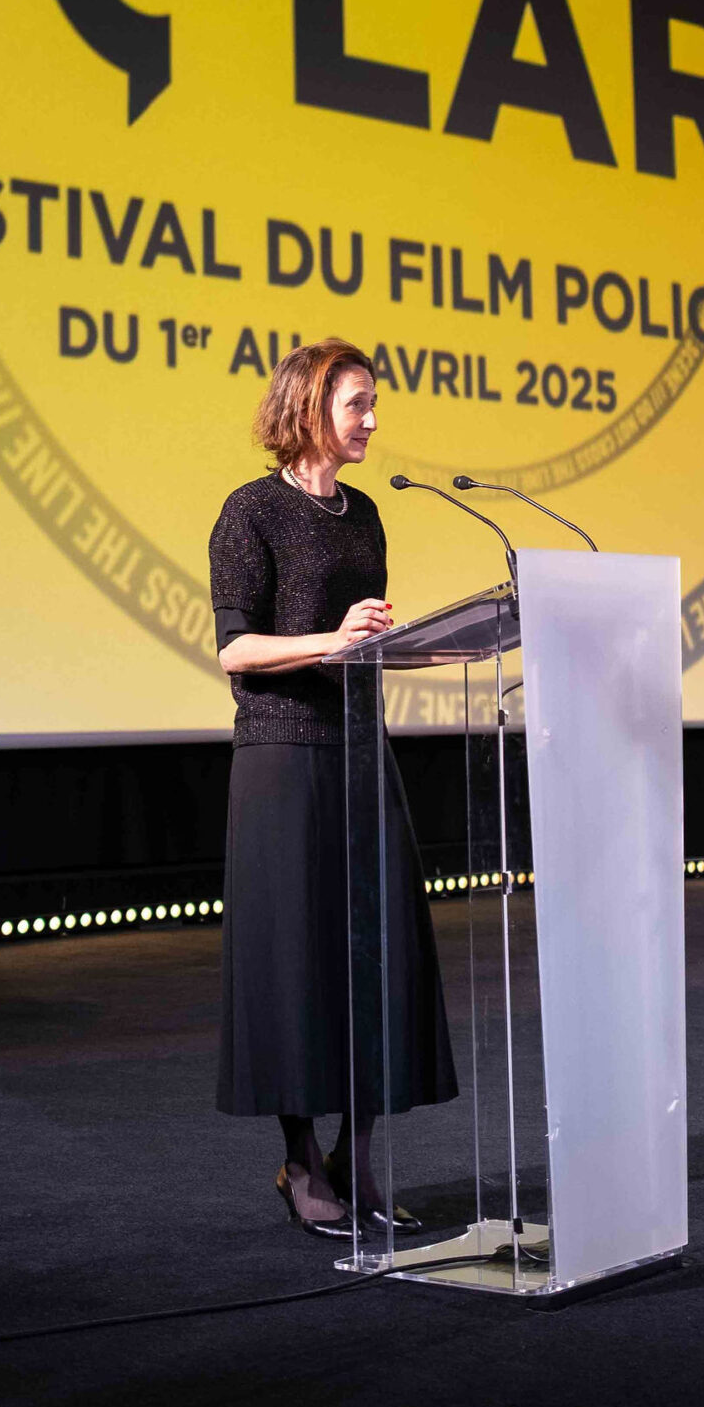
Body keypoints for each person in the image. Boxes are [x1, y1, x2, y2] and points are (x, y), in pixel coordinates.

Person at [209, 337, 457, 1235]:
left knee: (377, 952)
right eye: (358, 403)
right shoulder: (251, 513)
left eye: (373, 403)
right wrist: (329, 641)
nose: (373, 420)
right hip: (280, 756)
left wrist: (413, 643)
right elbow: (236, 648)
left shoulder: (364, 517)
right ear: (309, 407)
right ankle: (301, 1160)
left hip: (357, 745)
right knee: (294, 960)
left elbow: (364, 639)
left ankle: (358, 1155)